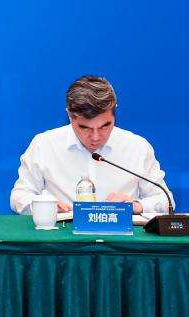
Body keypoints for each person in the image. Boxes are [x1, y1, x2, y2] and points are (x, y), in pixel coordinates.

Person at [10, 75, 173, 217]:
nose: (95, 137)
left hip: (120, 238)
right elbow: (19, 196)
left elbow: (166, 200)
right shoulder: (44, 145)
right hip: (62, 236)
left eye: (105, 126)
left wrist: (137, 206)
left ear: (115, 113)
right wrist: (43, 204)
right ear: (69, 116)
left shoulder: (137, 147)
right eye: (85, 128)